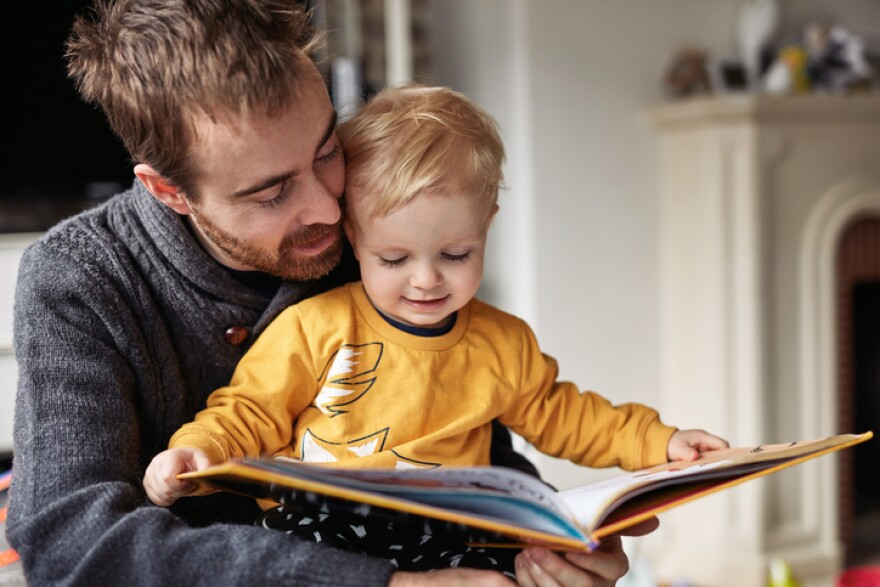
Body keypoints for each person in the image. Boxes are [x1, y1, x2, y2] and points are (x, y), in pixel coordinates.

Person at [7, 1, 658, 586]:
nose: (327, 206)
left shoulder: (374, 235)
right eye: (271, 192)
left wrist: (543, 543)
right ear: (168, 191)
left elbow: (469, 438)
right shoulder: (79, 277)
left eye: (326, 151)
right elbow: (73, 547)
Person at [143, 85, 729, 576]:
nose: (426, 281)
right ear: (352, 235)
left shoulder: (503, 343)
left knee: (522, 565)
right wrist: (200, 452)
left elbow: (566, 415)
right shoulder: (317, 325)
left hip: (451, 526)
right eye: (394, 260)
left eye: (455, 253)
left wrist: (662, 443)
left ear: (487, 225)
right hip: (330, 522)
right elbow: (251, 411)